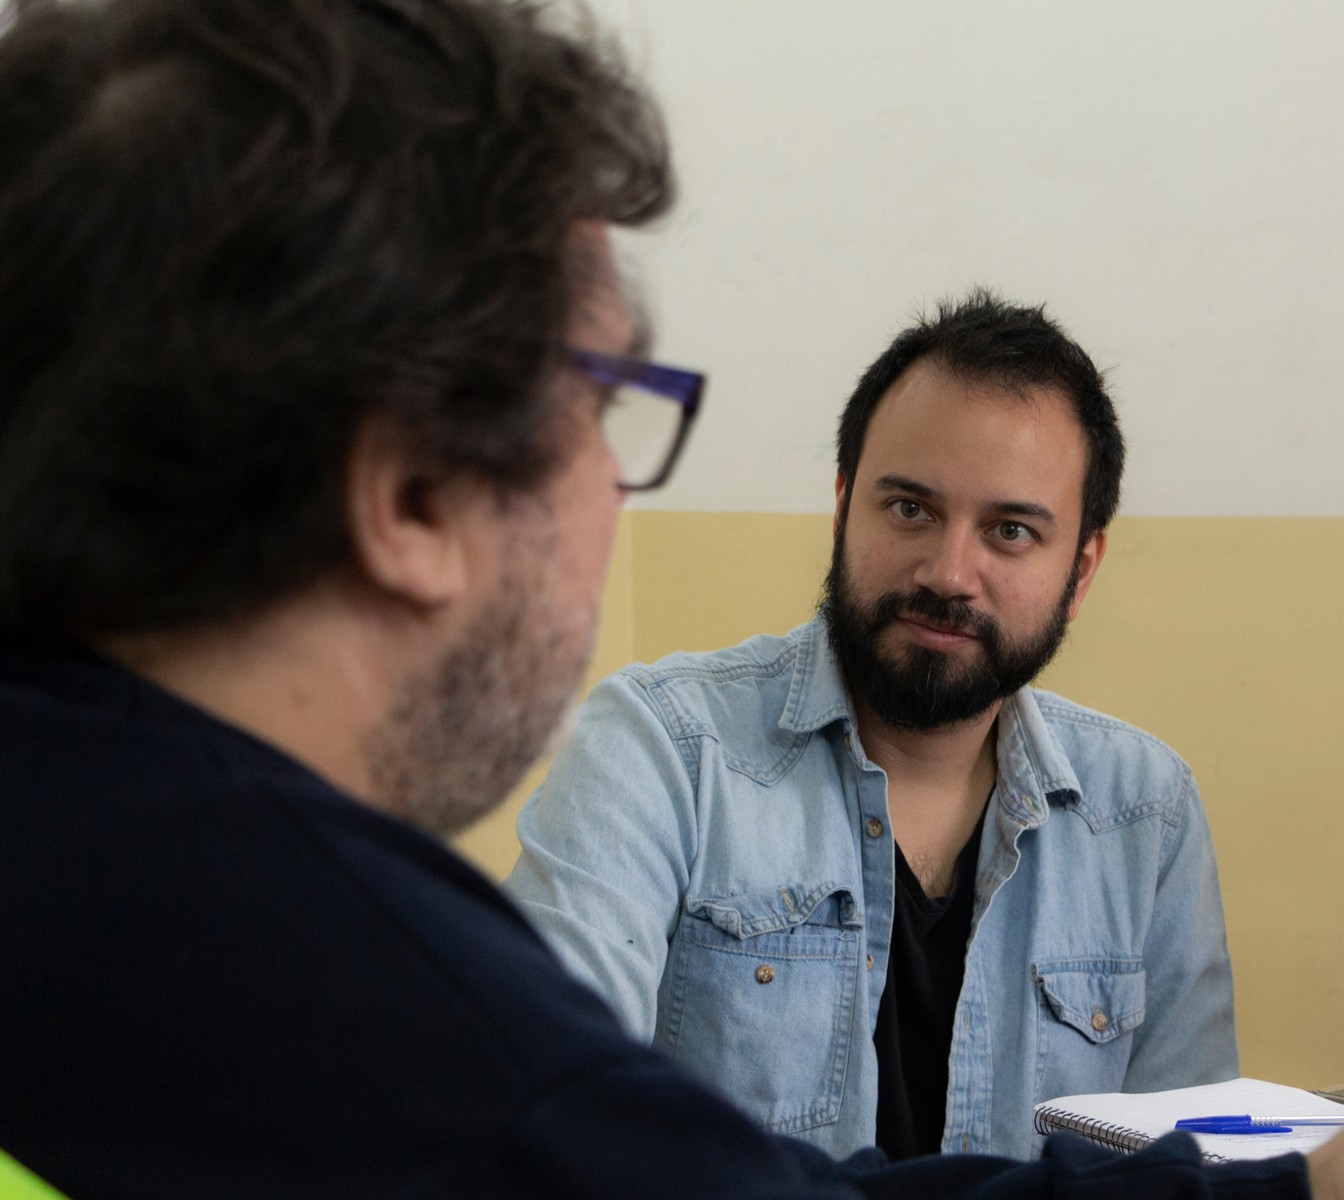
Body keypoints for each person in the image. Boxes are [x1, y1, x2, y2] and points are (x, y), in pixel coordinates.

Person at [0, 0, 1332, 1198]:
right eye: (603, 408)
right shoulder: (411, 1037)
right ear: (409, 495)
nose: (951, 567)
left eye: (1013, 530)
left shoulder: (100, 857)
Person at [506, 292, 1239, 1161]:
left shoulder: (1146, 814)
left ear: (1079, 572)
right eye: (910, 509)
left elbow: (1191, 1169)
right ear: (843, 504)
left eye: (1010, 531)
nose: (948, 573)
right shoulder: (661, 750)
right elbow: (537, 1108)